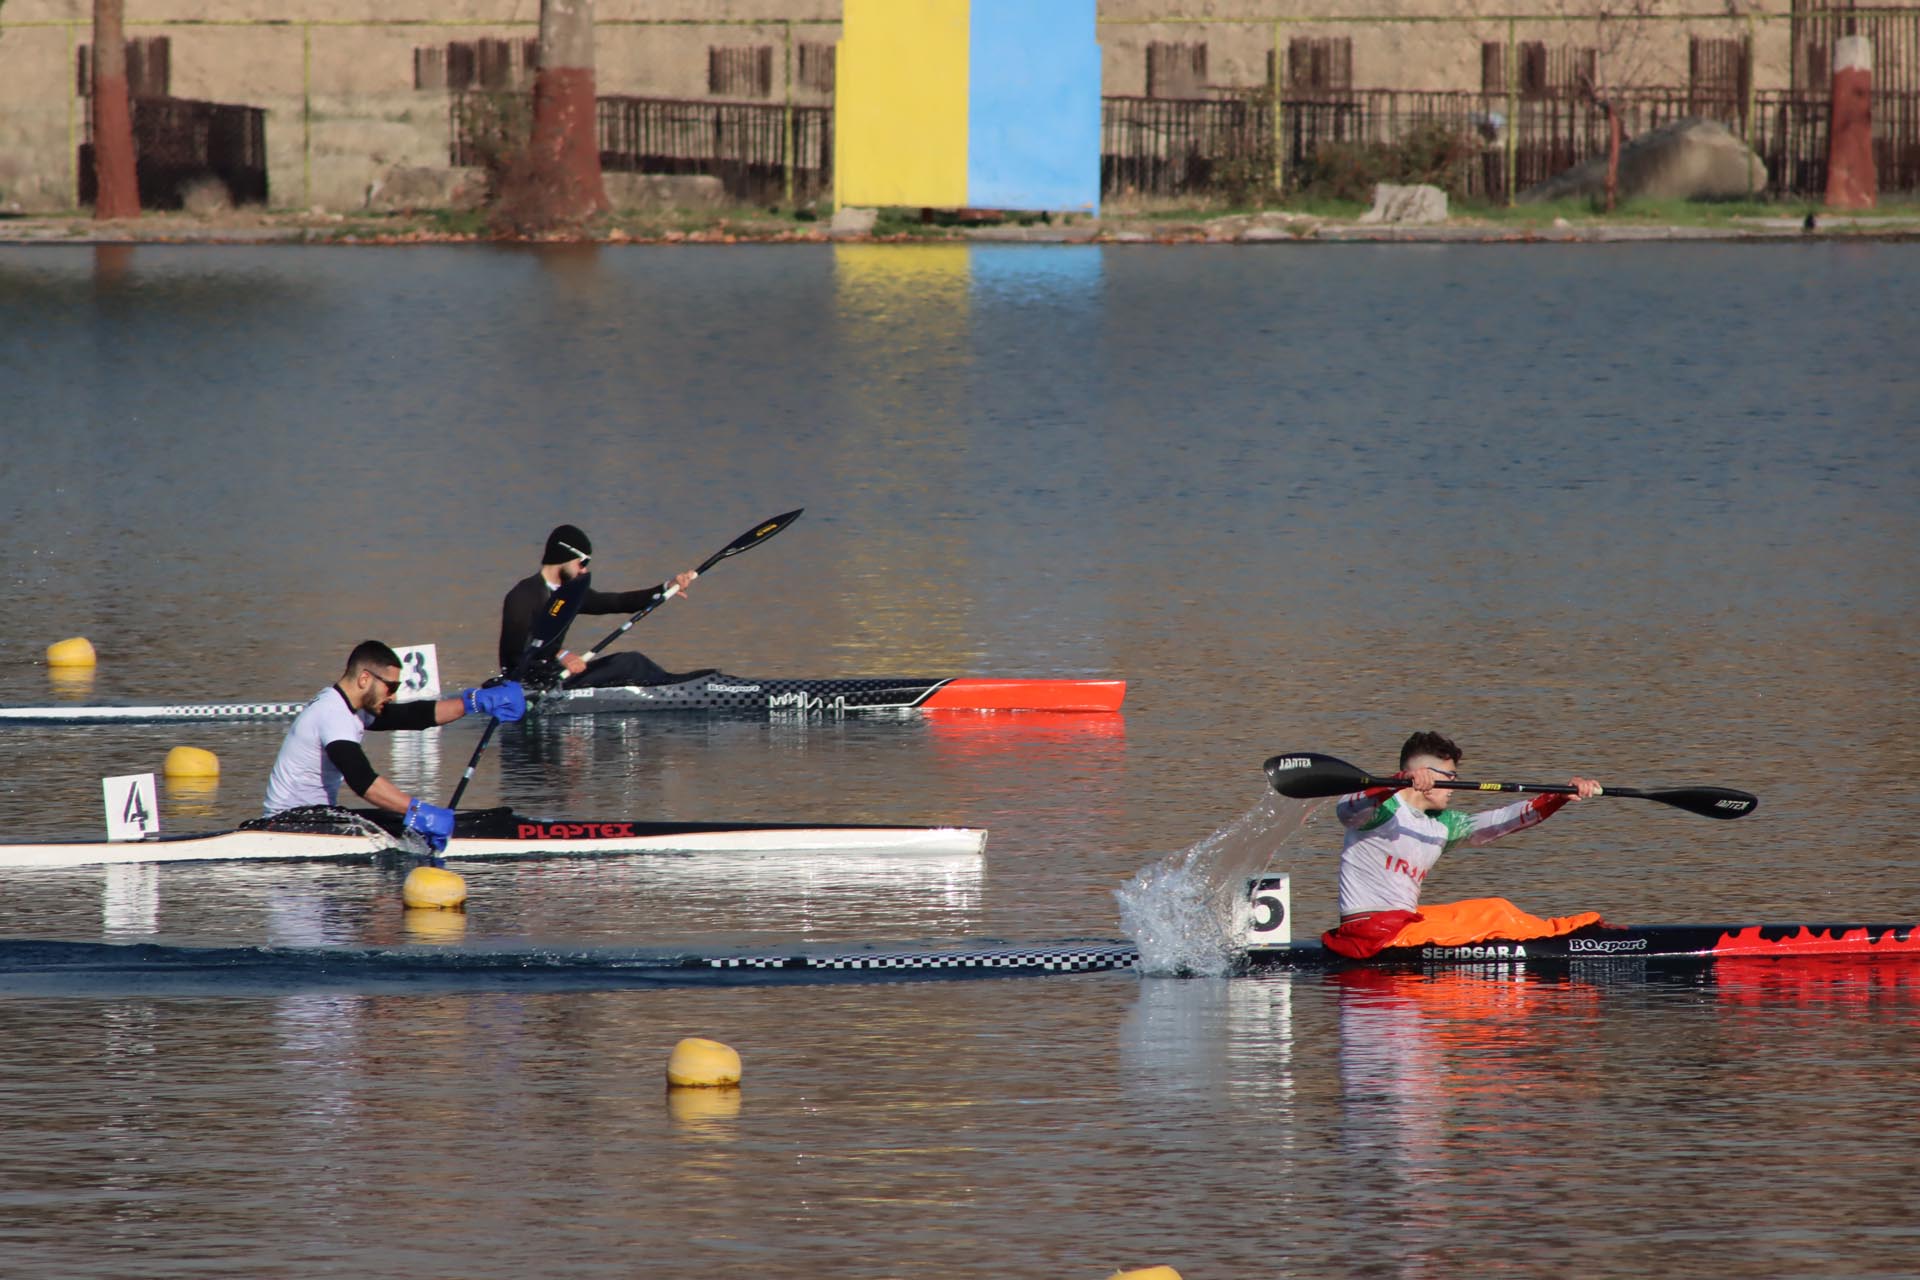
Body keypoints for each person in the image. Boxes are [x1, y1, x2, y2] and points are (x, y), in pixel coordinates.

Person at [1322, 730, 1605, 960]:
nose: (1454, 786)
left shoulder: (1441, 826)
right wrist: (1397, 781)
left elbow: (1501, 821)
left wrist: (1558, 797)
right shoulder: (1380, 810)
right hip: (1369, 933)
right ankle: (1578, 940)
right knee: (1498, 917)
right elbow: (1347, 808)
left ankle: (1575, 931)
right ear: (1424, 773)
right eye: (1450, 777)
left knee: (1496, 908)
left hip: (1404, 924)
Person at [261, 640, 526, 851]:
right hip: (290, 826)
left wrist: (473, 702)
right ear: (365, 679)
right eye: (391, 687)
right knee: (407, 824)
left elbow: (413, 716)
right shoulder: (333, 714)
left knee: (401, 822)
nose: (394, 695)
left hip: (313, 818)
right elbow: (362, 781)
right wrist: (419, 813)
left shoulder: (348, 705)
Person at [498, 523, 699, 689]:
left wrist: (666, 587)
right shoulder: (523, 596)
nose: (584, 571)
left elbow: (619, 602)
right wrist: (562, 655)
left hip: (555, 675)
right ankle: (678, 690)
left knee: (630, 660)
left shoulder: (570, 593)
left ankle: (670, 684)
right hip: (530, 682)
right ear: (563, 557)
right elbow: (514, 653)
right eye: (582, 563)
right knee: (630, 663)